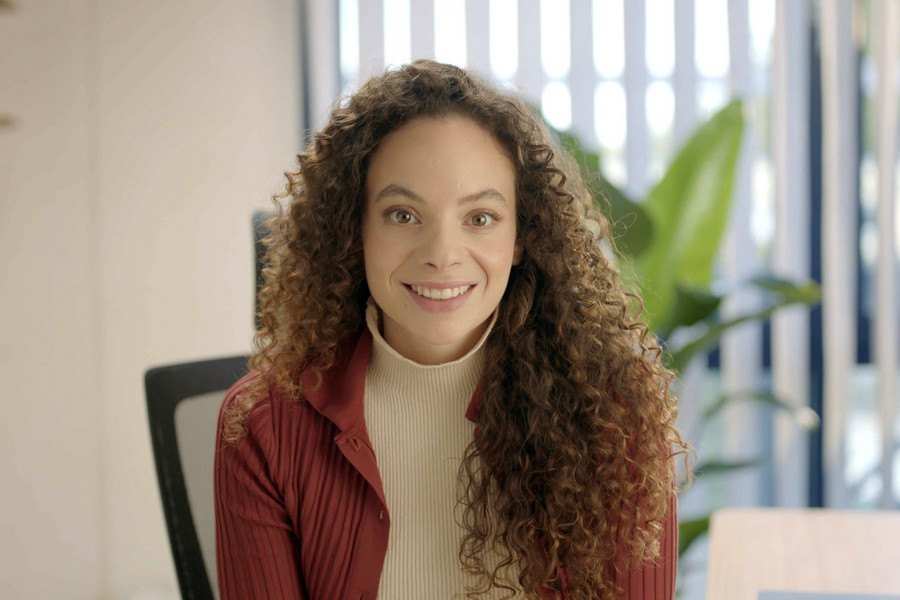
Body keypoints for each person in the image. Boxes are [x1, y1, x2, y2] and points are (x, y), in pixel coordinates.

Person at [214, 60, 690, 600]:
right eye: (402, 214)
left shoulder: (613, 413)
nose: (441, 255)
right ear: (356, 229)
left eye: (480, 218)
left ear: (521, 238)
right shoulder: (263, 425)